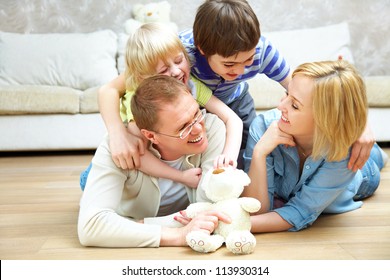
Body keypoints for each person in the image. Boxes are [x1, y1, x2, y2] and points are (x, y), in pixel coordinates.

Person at [99, 0, 374, 171]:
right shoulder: (180, 54)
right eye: (230, 65)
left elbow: (307, 92)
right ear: (203, 50)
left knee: (245, 156)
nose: (241, 70)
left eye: (248, 60)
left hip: (236, 104)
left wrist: (358, 123)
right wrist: (117, 133)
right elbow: (110, 89)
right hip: (192, 108)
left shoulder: (263, 52)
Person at [80, 22, 242, 190]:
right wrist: (181, 177)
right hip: (120, 158)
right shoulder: (142, 101)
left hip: (164, 155)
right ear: (145, 78)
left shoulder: (193, 86)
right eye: (163, 70)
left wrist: (228, 156)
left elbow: (232, 119)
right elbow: (138, 155)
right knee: (97, 180)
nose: (176, 72)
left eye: (179, 60)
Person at [78, 75, 231, 247]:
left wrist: (141, 225)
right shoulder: (119, 146)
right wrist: (178, 234)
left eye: (196, 113)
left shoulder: (212, 128)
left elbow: (209, 208)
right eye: (183, 127)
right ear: (151, 136)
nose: (197, 129)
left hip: (133, 222)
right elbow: (90, 227)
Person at [242, 60, 387, 232]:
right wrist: (259, 153)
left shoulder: (342, 153)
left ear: (324, 120)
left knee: (370, 157)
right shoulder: (263, 127)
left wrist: (234, 227)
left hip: (360, 176)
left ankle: (377, 152)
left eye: (294, 105)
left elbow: (299, 211)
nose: (281, 106)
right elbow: (256, 211)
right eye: (286, 94)